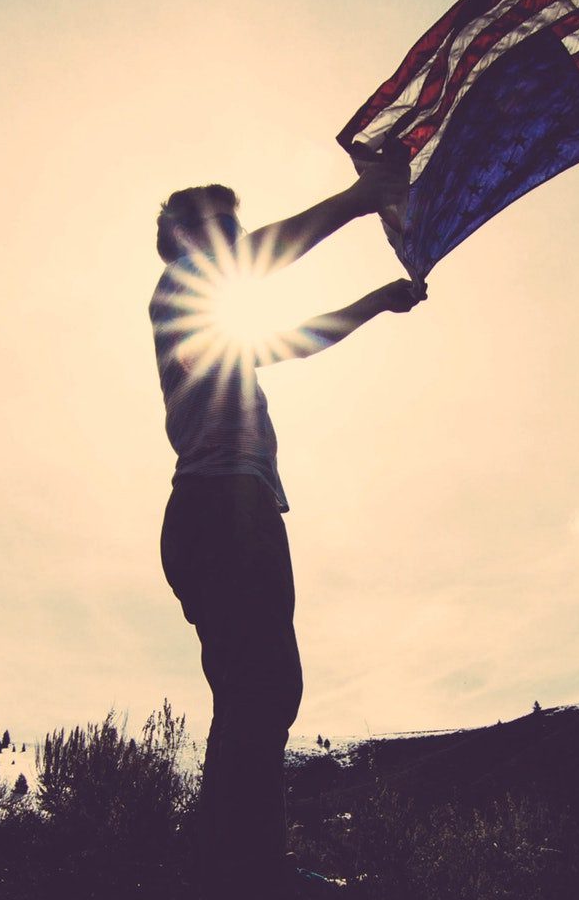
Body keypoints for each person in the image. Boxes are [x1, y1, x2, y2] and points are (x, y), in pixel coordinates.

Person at [151, 159, 424, 898]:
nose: (237, 248)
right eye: (226, 235)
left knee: (251, 691)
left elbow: (297, 338)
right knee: (264, 686)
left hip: (219, 512)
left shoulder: (215, 335)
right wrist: (360, 199)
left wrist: (375, 301)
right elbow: (268, 258)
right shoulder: (179, 292)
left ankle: (231, 868)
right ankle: (248, 872)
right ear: (188, 239)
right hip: (224, 509)